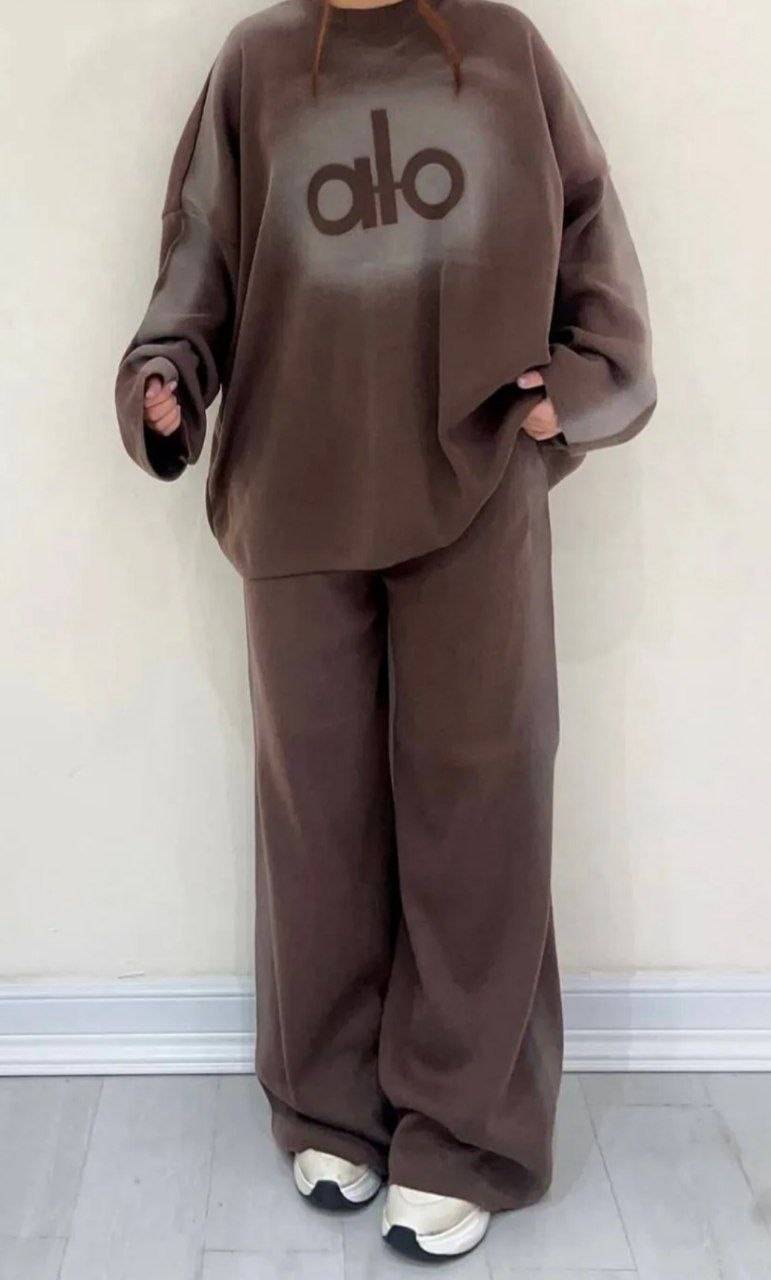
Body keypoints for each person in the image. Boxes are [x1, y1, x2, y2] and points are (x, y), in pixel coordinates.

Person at [115, 0, 656, 1261]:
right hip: (296, 483)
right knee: (319, 807)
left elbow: (589, 226)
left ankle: (461, 1134)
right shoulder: (258, 63)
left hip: (476, 479)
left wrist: (578, 382)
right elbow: (201, 248)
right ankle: (330, 1105)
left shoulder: (503, 48)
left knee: (481, 803)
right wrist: (167, 371)